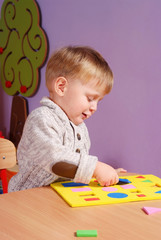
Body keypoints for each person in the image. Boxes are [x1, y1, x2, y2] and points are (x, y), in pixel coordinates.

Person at [8, 46, 126, 192]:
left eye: (98, 101)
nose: (94, 107)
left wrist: (103, 174)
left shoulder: (80, 128)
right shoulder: (41, 119)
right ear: (62, 87)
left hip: (59, 198)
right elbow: (55, 159)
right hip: (27, 199)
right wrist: (95, 168)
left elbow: (74, 170)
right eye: (90, 98)